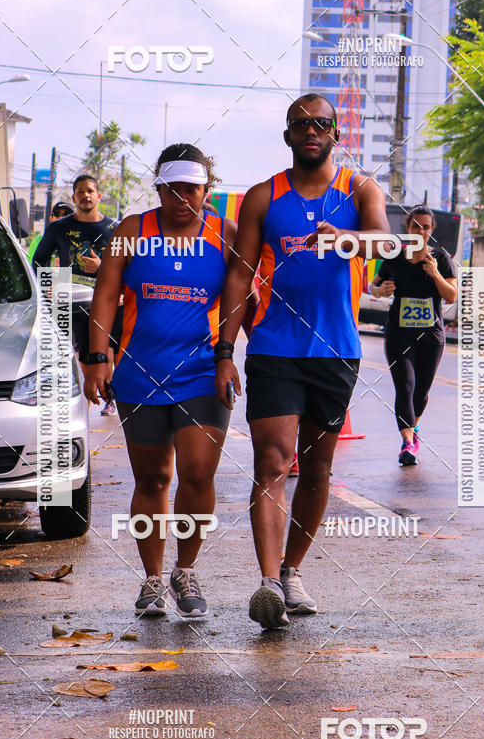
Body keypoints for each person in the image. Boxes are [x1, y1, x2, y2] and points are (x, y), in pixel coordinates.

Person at [215, 93, 389, 630]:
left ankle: (292, 572)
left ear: (337, 135)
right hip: (274, 347)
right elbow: (240, 275)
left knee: (317, 469)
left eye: (321, 124)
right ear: (288, 135)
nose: (311, 131)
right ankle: (268, 584)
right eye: (300, 125)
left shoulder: (359, 189)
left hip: (337, 350)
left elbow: (387, 242)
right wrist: (226, 350)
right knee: (273, 461)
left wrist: (351, 239)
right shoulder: (264, 197)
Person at [84, 143, 255, 619]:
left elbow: (241, 298)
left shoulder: (226, 233)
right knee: (153, 478)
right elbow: (106, 292)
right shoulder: (132, 230)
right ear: (159, 187)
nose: (183, 198)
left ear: (207, 190)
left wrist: (227, 354)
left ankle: (186, 569)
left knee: (198, 473)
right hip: (140, 372)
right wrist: (98, 357)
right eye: (172, 189)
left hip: (203, 370)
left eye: (192, 189)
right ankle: (153, 580)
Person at [370, 205, 457, 466]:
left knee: (421, 391)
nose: (420, 231)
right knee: (404, 386)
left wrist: (435, 274)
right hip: (399, 333)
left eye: (426, 227)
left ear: (431, 231)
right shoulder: (395, 257)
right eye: (415, 226)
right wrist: (379, 290)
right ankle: (408, 443)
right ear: (408, 228)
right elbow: (374, 286)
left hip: (431, 336)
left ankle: (414, 431)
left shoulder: (440, 258)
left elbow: (451, 296)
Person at [32, 176, 120, 414]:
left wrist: (101, 267)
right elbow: (38, 260)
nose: (85, 195)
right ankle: (78, 403)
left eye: (90, 191)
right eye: (80, 191)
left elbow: (127, 265)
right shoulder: (58, 228)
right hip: (69, 303)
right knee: (78, 355)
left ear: (98, 196)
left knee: (109, 350)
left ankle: (110, 396)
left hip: (107, 302)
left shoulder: (114, 229)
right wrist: (49, 284)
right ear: (74, 197)